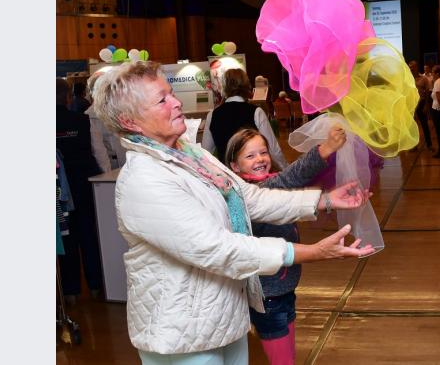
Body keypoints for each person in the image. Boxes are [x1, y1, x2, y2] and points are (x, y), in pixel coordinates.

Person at [91, 61, 376, 364]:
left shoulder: (191, 153)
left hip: (224, 318)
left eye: (171, 93)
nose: (176, 103)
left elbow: (247, 198)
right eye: (162, 99)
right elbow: (216, 248)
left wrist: (325, 200)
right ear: (130, 120)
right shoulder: (145, 179)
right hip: (184, 336)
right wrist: (311, 252)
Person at [224, 126, 346, 365]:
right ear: (234, 166)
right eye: (250, 156)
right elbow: (292, 176)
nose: (260, 159)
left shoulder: (269, 183)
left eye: (263, 152)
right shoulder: (252, 192)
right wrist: (327, 148)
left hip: (283, 289)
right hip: (269, 295)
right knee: (283, 360)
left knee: (286, 353)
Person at [56, 78, 105, 303]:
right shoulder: (84, 121)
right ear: (68, 97)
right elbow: (100, 154)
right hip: (85, 184)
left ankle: (71, 291)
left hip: (57, 190)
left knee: (65, 237)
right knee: (88, 235)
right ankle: (96, 285)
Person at [202, 68, 289, 169]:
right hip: (253, 174)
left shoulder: (212, 115)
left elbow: (205, 153)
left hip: (228, 176)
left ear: (224, 87)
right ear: (246, 86)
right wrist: (286, 170)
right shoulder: (256, 112)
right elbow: (273, 149)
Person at [87, 71, 127, 172]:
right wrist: (107, 174)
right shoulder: (88, 116)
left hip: (127, 164)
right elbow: (98, 151)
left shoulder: (122, 111)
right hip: (109, 168)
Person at [409, 61, 433, 151]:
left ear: (417, 67)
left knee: (424, 125)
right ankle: (414, 146)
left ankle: (429, 145)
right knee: (412, 127)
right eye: (410, 67)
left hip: (421, 103)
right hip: (411, 104)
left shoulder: (424, 79)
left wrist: (426, 106)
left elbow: (427, 93)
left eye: (413, 67)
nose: (411, 69)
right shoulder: (407, 78)